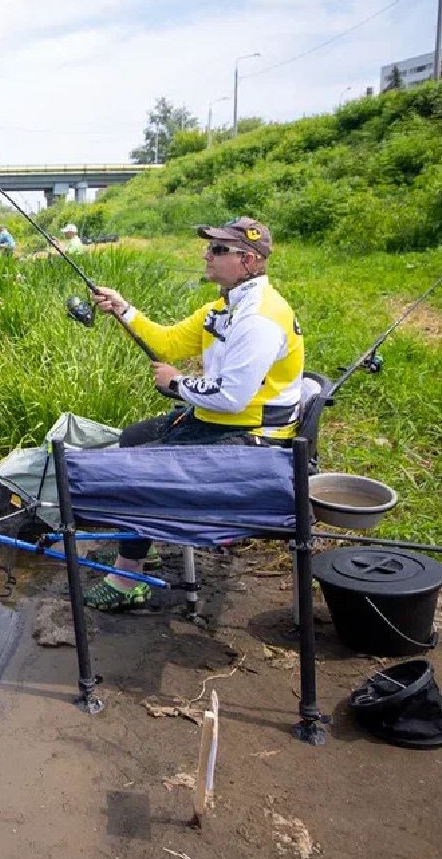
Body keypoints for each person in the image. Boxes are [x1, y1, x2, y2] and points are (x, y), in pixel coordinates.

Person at [83, 216, 305, 611]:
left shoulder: (259, 318)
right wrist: (123, 310)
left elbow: (232, 397)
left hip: (253, 439)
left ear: (250, 261)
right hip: (215, 421)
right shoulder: (223, 307)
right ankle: (142, 547)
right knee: (134, 437)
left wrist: (176, 384)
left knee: (140, 468)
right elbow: (167, 343)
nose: (208, 254)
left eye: (219, 249)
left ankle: (126, 579)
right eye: (210, 247)